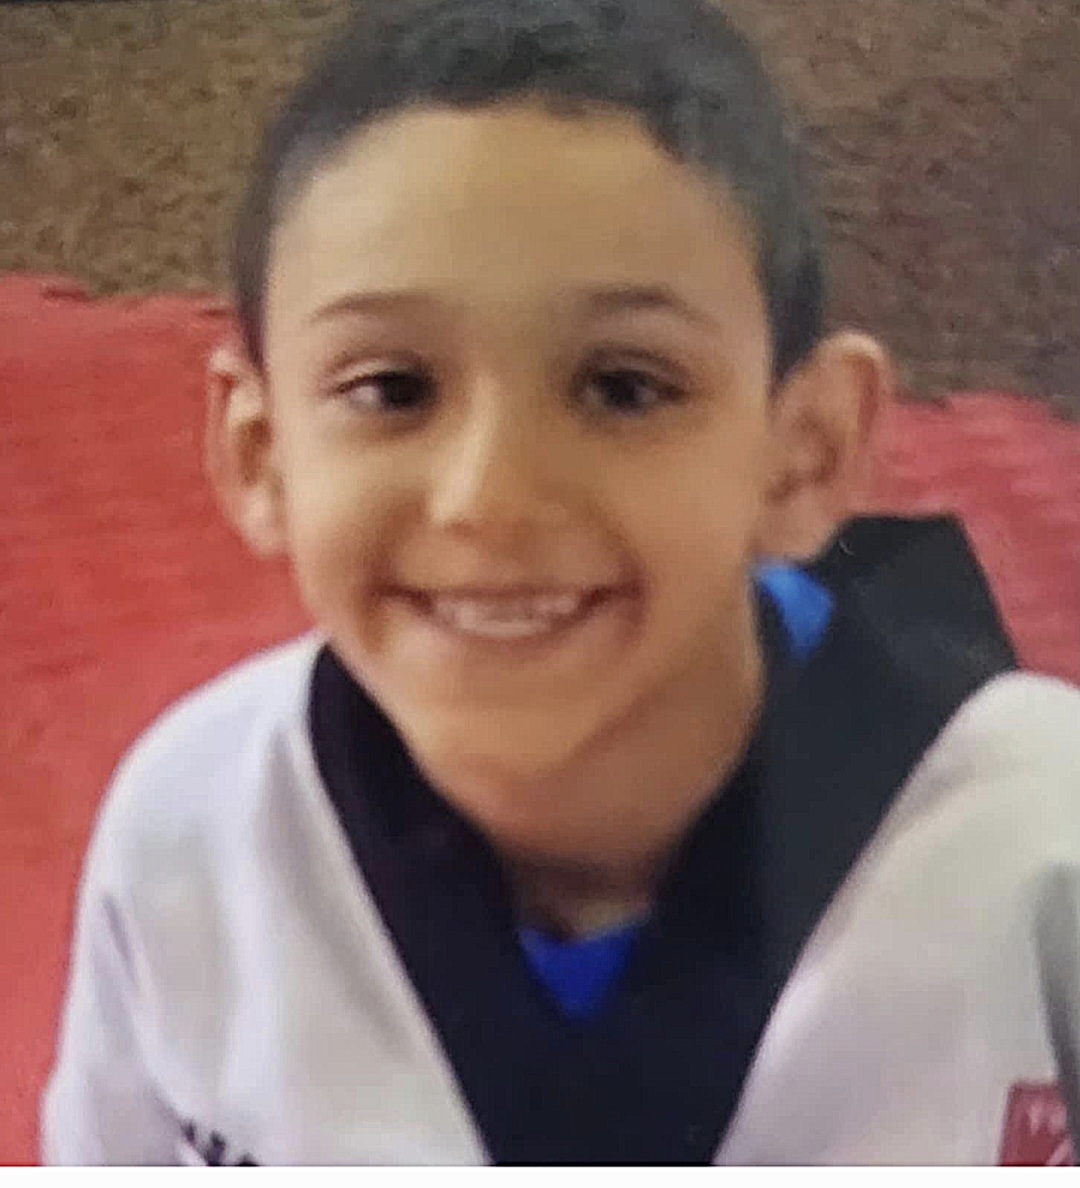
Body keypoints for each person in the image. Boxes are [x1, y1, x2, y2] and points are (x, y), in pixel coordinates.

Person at [41, 0, 1080, 1165]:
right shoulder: (191, 830)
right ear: (259, 453)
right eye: (392, 389)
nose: (489, 497)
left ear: (806, 452)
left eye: (624, 387)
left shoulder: (1038, 847)